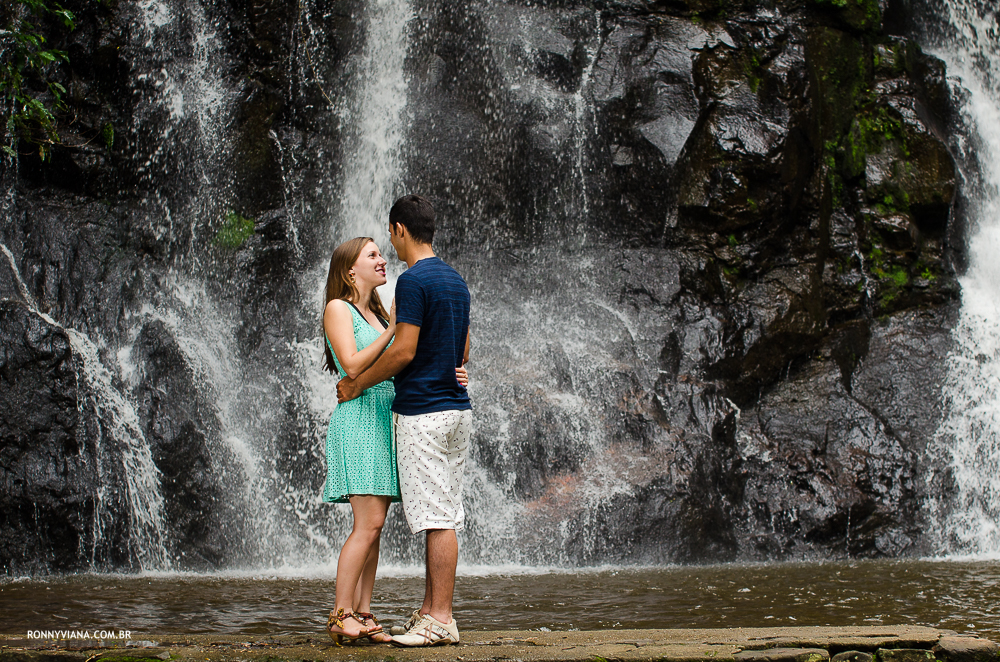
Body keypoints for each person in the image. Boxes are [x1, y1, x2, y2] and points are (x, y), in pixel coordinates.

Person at [320, 236, 470, 646]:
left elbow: (421, 351)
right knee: (366, 524)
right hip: (359, 421)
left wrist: (452, 370)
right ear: (350, 270)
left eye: (381, 251)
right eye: (372, 255)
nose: (382, 259)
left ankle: (364, 613)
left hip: (385, 420)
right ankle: (340, 613)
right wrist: (394, 330)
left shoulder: (377, 311)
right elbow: (351, 365)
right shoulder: (339, 308)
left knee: (376, 525)